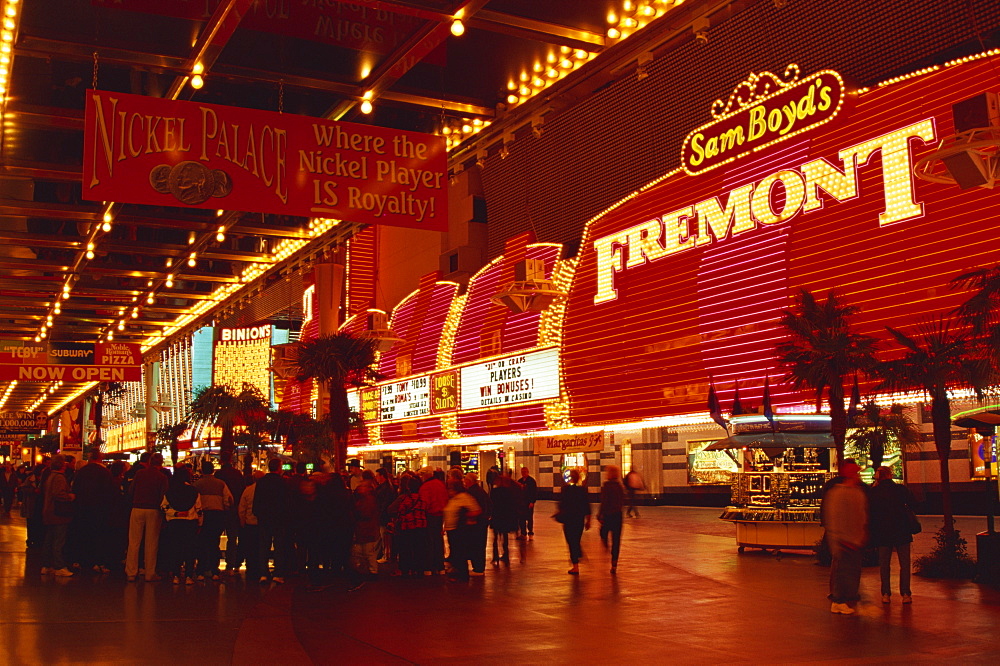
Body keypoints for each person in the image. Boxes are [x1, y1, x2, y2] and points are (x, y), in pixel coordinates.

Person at [823, 460, 869, 614]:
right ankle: (838, 600)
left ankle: (846, 597)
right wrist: (840, 538)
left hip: (853, 539)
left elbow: (860, 515)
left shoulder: (856, 491)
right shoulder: (839, 492)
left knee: (850, 570)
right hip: (845, 540)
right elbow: (835, 518)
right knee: (843, 570)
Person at [869, 466, 916, 604]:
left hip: (883, 532)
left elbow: (870, 512)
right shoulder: (901, 489)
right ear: (890, 475)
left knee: (884, 564)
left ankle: (885, 593)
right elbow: (913, 504)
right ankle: (906, 593)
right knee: (905, 564)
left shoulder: (874, 492)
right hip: (902, 530)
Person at [126, 452, 169, 582]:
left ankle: (131, 572)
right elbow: (164, 496)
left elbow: (131, 491)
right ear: (161, 463)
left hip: (137, 508)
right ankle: (150, 573)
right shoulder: (162, 477)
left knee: (134, 541)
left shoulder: (139, 474)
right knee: (151, 542)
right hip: (153, 510)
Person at [71, 449, 114, 573]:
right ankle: (97, 561)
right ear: (100, 458)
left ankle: (81, 560)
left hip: (82, 509)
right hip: (99, 510)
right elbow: (109, 492)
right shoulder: (105, 472)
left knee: (83, 534)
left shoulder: (82, 472)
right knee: (98, 535)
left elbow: (75, 488)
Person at [193, 460, 233, 580]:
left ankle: (201, 570)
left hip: (203, 515)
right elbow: (228, 499)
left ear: (202, 470)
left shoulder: (197, 484)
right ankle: (214, 570)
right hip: (217, 515)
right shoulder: (221, 484)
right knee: (214, 542)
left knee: (202, 543)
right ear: (213, 470)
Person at [161, 467, 201, 585]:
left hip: (174, 523)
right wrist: (200, 523)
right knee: (189, 549)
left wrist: (175, 513)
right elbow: (199, 509)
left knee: (175, 549)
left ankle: (176, 575)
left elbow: (164, 507)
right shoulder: (194, 491)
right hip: (190, 523)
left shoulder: (170, 491)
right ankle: (189, 575)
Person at [254, 458, 290, 584]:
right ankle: (278, 573)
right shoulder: (282, 482)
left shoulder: (262, 482)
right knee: (279, 545)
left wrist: (258, 514)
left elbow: (257, 500)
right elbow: (286, 502)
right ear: (279, 468)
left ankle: (263, 573)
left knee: (263, 545)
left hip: (264, 518)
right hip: (279, 518)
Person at [40, 454, 75, 577]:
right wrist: (70, 496)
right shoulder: (59, 478)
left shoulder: (50, 476)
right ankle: (59, 566)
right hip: (58, 513)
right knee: (59, 540)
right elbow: (59, 494)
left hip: (49, 512)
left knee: (49, 539)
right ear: (62, 465)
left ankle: (46, 565)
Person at [215, 452, 247, 576]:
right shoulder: (237, 474)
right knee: (232, 538)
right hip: (234, 510)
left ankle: (215, 564)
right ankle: (231, 564)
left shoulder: (218, 475)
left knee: (215, 537)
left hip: (220, 510)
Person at [443, 479, 481, 581]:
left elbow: (476, 510)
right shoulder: (453, 499)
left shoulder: (464, 497)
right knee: (455, 551)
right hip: (451, 529)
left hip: (459, 530)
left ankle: (462, 574)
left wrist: (464, 516)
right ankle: (457, 571)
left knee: (460, 551)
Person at [388, 475, 427, 576]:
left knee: (406, 548)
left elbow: (396, 509)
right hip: (421, 525)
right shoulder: (422, 498)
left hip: (408, 525)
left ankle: (405, 569)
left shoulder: (406, 498)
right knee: (419, 548)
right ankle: (419, 570)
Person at [558, 468, 591, 575]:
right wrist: (588, 520)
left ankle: (575, 564)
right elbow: (587, 506)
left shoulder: (565, 489)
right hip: (579, 519)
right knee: (576, 540)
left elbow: (561, 504)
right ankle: (578, 555)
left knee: (571, 541)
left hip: (568, 519)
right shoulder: (582, 490)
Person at [418, 466, 448, 574]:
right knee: (438, 540)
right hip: (440, 515)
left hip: (429, 515)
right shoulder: (440, 484)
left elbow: (424, 503)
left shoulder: (425, 486)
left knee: (428, 541)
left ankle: (429, 566)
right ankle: (440, 566)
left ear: (425, 475)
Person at [599, 465, 626, 574]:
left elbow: (604, 502)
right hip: (618, 515)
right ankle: (614, 563)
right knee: (616, 540)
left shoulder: (606, 486)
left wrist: (601, 514)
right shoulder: (620, 486)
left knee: (603, 532)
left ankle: (606, 544)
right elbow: (622, 501)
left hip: (608, 515)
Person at [463, 472, 491, 575]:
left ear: (469, 481)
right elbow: (489, 505)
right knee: (480, 545)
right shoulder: (481, 491)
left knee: (476, 545)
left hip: (476, 523)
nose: (464, 481)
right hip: (482, 522)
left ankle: (478, 568)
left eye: (465, 479)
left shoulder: (471, 492)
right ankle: (479, 567)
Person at [238, 471, 264, 580]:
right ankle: (261, 569)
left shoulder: (248, 490)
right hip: (262, 524)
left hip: (250, 523)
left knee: (250, 547)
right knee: (261, 547)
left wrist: (242, 520)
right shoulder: (265, 490)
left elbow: (242, 508)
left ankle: (251, 569)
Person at [489, 474, 518, 566]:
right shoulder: (509, 491)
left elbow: (492, 503)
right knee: (505, 536)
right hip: (505, 516)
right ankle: (506, 554)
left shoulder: (494, 491)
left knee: (495, 537)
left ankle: (495, 555)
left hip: (497, 515)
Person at [516, 467, 537, 539]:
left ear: (528, 472)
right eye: (522, 472)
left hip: (528, 502)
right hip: (522, 503)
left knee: (529, 517)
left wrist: (532, 502)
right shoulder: (519, 481)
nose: (523, 473)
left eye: (525, 472)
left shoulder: (531, 481)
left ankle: (530, 531)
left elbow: (534, 492)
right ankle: (523, 533)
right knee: (521, 518)